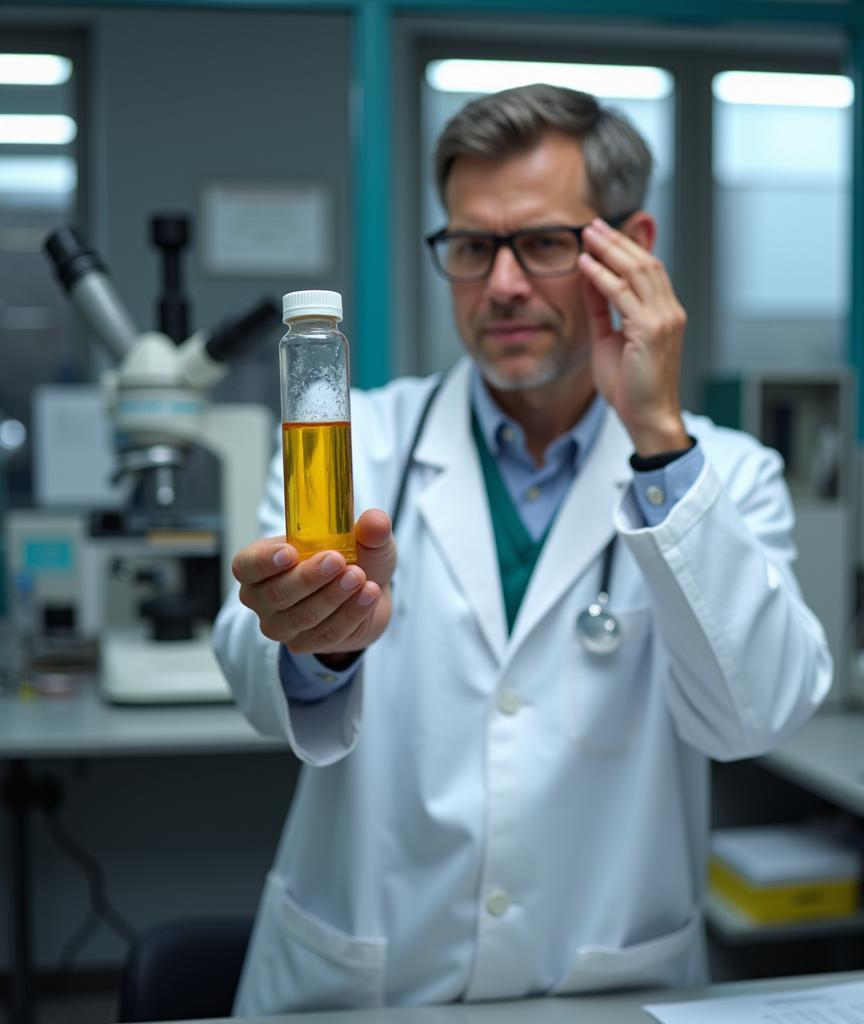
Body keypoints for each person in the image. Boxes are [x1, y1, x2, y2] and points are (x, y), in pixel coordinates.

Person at [212, 83, 832, 1016]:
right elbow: (254, 663)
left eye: (544, 244)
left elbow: (758, 717)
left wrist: (658, 435)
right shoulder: (358, 443)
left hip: (607, 988)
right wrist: (322, 641)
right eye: (471, 247)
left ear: (633, 250)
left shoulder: (724, 474)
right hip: (371, 988)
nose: (501, 285)